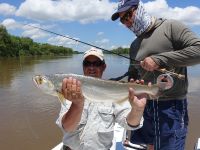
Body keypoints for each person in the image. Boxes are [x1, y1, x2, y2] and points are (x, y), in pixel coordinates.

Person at [111, 0, 200, 150]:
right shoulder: (134, 45)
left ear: (139, 9)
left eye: (128, 15)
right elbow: (133, 73)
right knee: (149, 145)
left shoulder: (170, 27)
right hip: (144, 105)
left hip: (171, 105)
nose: (126, 22)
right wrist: (117, 84)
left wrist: (160, 59)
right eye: (122, 20)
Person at [56, 47, 147, 150]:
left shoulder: (114, 91)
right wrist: (77, 104)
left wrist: (138, 109)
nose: (91, 67)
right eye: (87, 63)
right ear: (83, 66)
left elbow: (131, 124)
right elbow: (67, 127)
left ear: (104, 67)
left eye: (96, 64)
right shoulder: (71, 91)